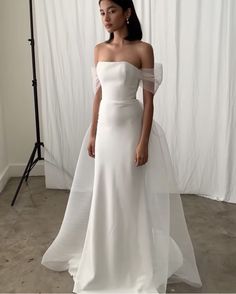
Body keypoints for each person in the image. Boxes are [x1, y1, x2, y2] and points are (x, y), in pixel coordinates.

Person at [41, 0, 203, 293]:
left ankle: (134, 263)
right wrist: (92, 133)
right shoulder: (99, 50)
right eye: (102, 12)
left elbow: (150, 100)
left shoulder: (143, 49)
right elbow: (98, 95)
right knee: (105, 194)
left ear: (127, 12)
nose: (106, 17)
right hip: (104, 131)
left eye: (112, 10)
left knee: (130, 195)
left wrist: (143, 141)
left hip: (130, 130)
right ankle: (105, 260)